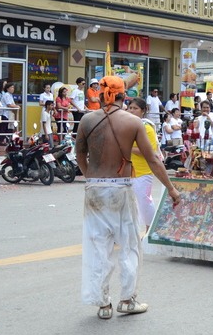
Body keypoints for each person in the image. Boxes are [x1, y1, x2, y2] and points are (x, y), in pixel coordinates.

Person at [75, 75, 181, 320]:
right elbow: (153, 158)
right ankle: (127, 299)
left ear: (100, 95)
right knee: (129, 246)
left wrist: (91, 177)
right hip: (121, 188)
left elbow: (79, 154)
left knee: (98, 247)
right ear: (123, 96)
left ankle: (103, 304)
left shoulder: (87, 120)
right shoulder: (132, 122)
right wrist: (171, 189)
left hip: (94, 189)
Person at [127, 97, 161, 230]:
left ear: (143, 111)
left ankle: (150, 229)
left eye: (135, 108)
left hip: (142, 171)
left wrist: (126, 147)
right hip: (127, 170)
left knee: (144, 202)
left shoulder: (147, 128)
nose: (131, 110)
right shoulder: (127, 125)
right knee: (128, 204)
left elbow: (149, 151)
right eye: (130, 108)